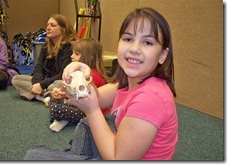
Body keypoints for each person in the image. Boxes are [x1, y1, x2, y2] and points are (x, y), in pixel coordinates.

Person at [24, 7, 178, 160]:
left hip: (118, 157)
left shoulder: (150, 98)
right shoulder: (127, 81)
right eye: (128, 39)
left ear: (163, 55)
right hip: (118, 149)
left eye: (148, 42)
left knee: (34, 156)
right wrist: (79, 78)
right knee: (86, 124)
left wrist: (92, 111)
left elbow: (118, 158)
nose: (134, 48)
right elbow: (96, 97)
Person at [12, 14, 77, 104]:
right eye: (47, 25)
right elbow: (39, 68)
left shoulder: (69, 47)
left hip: (59, 81)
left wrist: (42, 85)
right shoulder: (46, 45)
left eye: (53, 25)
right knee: (16, 79)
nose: (48, 28)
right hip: (46, 81)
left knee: (56, 86)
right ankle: (47, 96)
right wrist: (37, 84)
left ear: (63, 30)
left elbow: (63, 74)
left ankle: (43, 95)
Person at [48, 38, 109, 132]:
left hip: (88, 110)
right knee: (53, 97)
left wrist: (65, 96)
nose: (71, 56)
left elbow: (83, 99)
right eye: (72, 53)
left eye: (76, 54)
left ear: (90, 56)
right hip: (77, 104)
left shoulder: (91, 75)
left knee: (55, 109)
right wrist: (61, 93)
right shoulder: (77, 72)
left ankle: (63, 119)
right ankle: (63, 118)